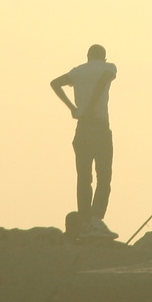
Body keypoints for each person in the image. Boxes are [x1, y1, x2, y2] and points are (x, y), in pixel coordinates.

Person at [50, 44, 118, 239]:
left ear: (88, 57)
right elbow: (104, 81)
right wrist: (89, 107)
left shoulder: (78, 71)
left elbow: (54, 83)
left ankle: (85, 221)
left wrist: (72, 107)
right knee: (104, 176)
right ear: (103, 57)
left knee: (84, 177)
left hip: (82, 128)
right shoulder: (109, 67)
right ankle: (95, 220)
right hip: (99, 126)